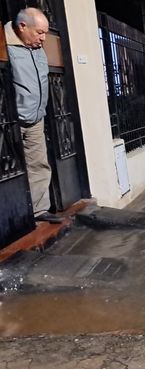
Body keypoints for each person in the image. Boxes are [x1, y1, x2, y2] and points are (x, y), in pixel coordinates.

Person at [5, 7, 61, 223]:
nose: (43, 38)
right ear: (22, 26)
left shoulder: (37, 48)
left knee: (39, 163)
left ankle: (39, 210)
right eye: (39, 32)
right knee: (9, 168)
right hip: (11, 120)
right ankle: (12, 218)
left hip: (36, 118)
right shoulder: (4, 43)